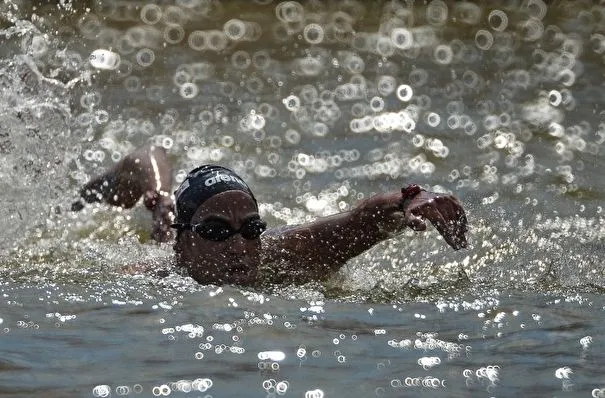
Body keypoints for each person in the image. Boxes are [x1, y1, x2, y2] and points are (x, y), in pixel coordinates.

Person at [72, 145, 468, 287]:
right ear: (184, 241)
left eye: (251, 229)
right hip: (167, 221)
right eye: (215, 231)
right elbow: (152, 150)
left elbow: (353, 223)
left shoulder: (281, 258)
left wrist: (409, 199)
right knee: (141, 174)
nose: (238, 246)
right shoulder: (152, 276)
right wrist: (159, 200)